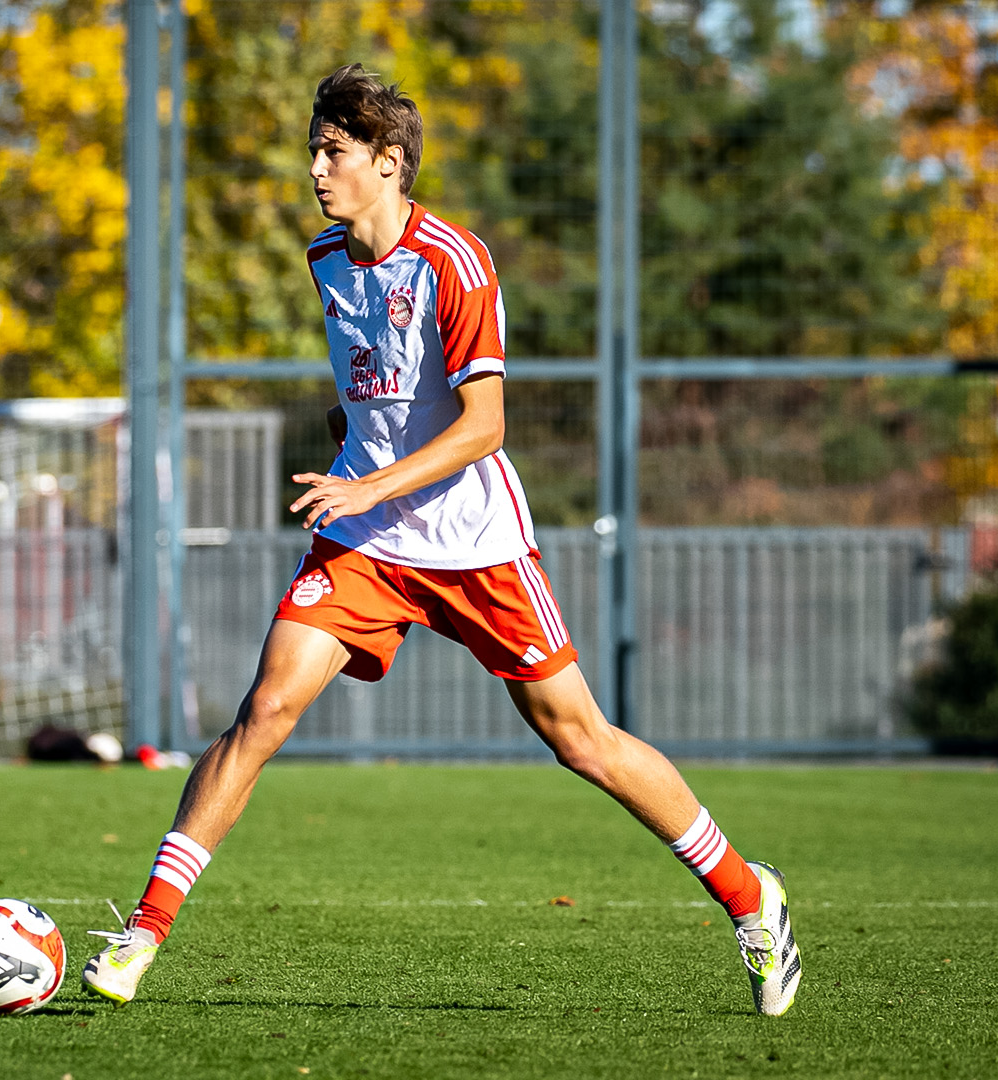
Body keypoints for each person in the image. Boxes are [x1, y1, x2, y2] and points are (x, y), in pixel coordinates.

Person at [82, 65, 801, 1016]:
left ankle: (754, 902)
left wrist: (369, 481)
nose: (315, 169)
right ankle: (143, 935)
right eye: (313, 149)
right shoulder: (324, 262)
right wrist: (360, 475)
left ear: (389, 162)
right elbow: (369, 399)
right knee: (264, 711)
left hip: (474, 539)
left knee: (579, 739)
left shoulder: (456, 262)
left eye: (332, 151)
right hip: (369, 543)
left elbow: (484, 427)